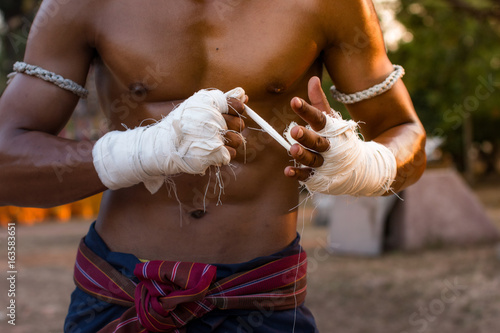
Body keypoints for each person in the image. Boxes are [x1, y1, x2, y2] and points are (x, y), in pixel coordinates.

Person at [0, 0, 426, 332]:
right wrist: (146, 149)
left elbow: (407, 133)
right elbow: (6, 163)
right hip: (120, 293)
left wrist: (362, 162)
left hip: (260, 296)